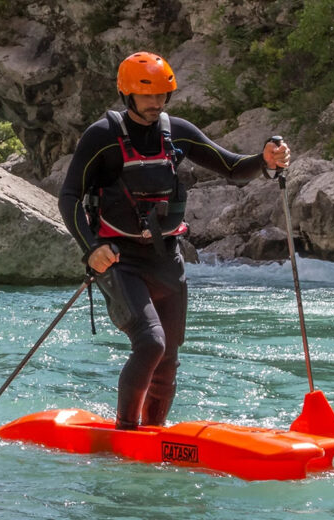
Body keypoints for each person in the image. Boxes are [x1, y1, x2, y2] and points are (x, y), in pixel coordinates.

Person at [58, 51, 290, 430]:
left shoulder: (176, 130)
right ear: (127, 95)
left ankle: (154, 434)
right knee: (150, 343)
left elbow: (232, 167)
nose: (156, 104)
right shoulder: (102, 137)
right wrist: (91, 247)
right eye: (147, 96)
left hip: (168, 258)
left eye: (162, 96)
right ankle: (126, 433)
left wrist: (265, 160)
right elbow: (69, 196)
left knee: (168, 359)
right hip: (120, 260)